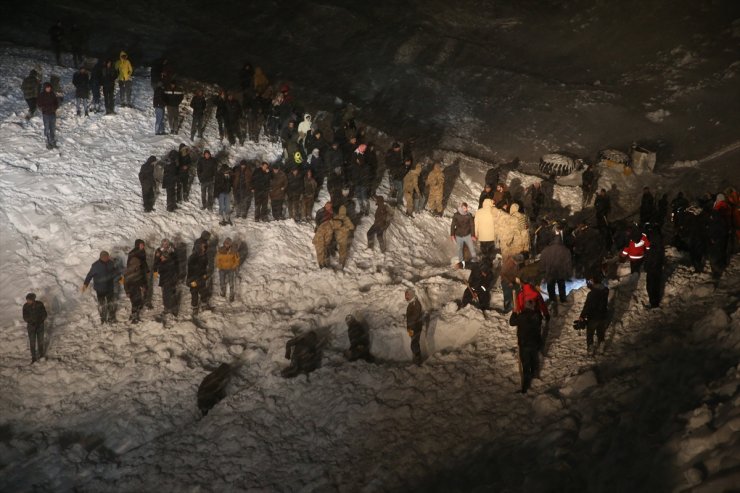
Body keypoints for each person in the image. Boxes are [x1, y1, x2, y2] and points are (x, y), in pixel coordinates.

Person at [509, 298, 543, 393]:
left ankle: (525, 387)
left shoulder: (522, 316)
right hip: (535, 343)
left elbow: (512, 323)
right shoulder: (537, 316)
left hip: (525, 344)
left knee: (526, 365)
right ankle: (535, 376)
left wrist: (514, 313)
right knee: (534, 360)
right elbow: (539, 318)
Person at [82, 251, 120, 324]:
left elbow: (114, 272)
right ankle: (103, 319)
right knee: (102, 304)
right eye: (106, 256)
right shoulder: (95, 266)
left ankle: (111, 318)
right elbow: (89, 275)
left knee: (111, 303)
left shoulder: (110, 263)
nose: (108, 257)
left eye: (108, 256)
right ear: (102, 257)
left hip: (110, 287)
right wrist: (85, 284)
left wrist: (120, 278)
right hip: (100, 289)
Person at [577, 274, 610, 355]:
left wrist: (582, 316)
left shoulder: (592, 294)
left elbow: (587, 306)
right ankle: (601, 345)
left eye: (591, 281)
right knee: (600, 332)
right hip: (603, 315)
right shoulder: (605, 290)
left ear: (594, 282)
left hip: (593, 317)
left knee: (590, 333)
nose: (590, 282)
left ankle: (590, 348)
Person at [539, 236, 572, 307]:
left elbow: (542, 262)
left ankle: (552, 300)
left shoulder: (546, 250)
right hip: (561, 272)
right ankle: (563, 299)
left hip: (550, 272)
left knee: (550, 286)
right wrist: (569, 273)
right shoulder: (565, 250)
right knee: (561, 285)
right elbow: (568, 263)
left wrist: (542, 272)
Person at [124, 239, 149, 323]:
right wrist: (132, 271)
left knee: (144, 289)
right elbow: (129, 265)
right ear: (137, 245)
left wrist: (147, 270)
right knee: (136, 298)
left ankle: (141, 305)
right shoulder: (132, 253)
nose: (143, 246)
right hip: (135, 274)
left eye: (143, 245)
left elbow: (144, 261)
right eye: (141, 245)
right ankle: (134, 314)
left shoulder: (143, 251)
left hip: (140, 273)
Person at [153, 239, 179, 316]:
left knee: (172, 292)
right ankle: (166, 308)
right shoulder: (159, 251)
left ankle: (174, 309)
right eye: (164, 244)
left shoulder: (173, 250)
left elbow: (176, 262)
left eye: (166, 244)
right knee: (165, 293)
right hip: (164, 274)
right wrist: (155, 270)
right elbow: (156, 261)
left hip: (171, 274)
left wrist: (177, 274)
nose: (165, 245)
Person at [187, 240, 211, 315]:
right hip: (194, 278)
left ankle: (204, 305)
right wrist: (191, 281)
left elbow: (205, 266)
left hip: (202, 278)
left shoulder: (205, 256)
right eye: (203, 247)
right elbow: (190, 270)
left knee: (203, 291)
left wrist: (205, 274)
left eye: (205, 247)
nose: (204, 249)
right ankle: (195, 307)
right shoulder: (193, 257)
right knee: (194, 293)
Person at [23, 293, 47, 363]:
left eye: (29, 300)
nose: (28, 301)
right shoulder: (25, 306)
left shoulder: (40, 304)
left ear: (33, 300)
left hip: (40, 326)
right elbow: (25, 317)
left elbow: (44, 314)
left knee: (40, 340)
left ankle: (41, 354)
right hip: (31, 327)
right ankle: (33, 357)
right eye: (27, 300)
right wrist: (31, 322)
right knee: (32, 341)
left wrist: (40, 321)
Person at [450, 202, 477, 267]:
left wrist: (473, 235)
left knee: (471, 248)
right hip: (459, 235)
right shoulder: (456, 215)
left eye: (466, 208)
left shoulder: (469, 215)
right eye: (464, 208)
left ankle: (474, 262)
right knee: (460, 249)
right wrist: (452, 235)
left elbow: (472, 225)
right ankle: (461, 264)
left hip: (467, 235)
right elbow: (453, 225)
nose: (466, 209)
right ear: (461, 208)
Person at [644, 224, 664, 308]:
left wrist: (647, 266)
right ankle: (654, 302)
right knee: (655, 285)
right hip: (656, 267)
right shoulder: (659, 243)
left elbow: (651, 257)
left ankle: (654, 303)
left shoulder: (654, 246)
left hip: (653, 267)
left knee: (652, 285)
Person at [37, 82, 59, 149]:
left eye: (49, 87)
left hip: (53, 114)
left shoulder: (52, 94)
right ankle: (47, 142)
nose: (49, 88)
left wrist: (55, 108)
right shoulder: (41, 95)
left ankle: (52, 141)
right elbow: (39, 105)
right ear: (45, 88)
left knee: (52, 128)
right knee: (47, 128)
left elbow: (56, 102)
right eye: (47, 87)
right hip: (46, 114)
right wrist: (45, 108)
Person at [405, 288, 424, 366]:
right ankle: (416, 359)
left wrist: (409, 319)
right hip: (411, 327)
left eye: (407, 295)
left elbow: (416, 315)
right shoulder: (411, 303)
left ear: (412, 295)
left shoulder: (416, 303)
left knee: (414, 344)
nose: (406, 296)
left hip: (415, 327)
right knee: (413, 342)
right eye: (405, 295)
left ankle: (418, 361)